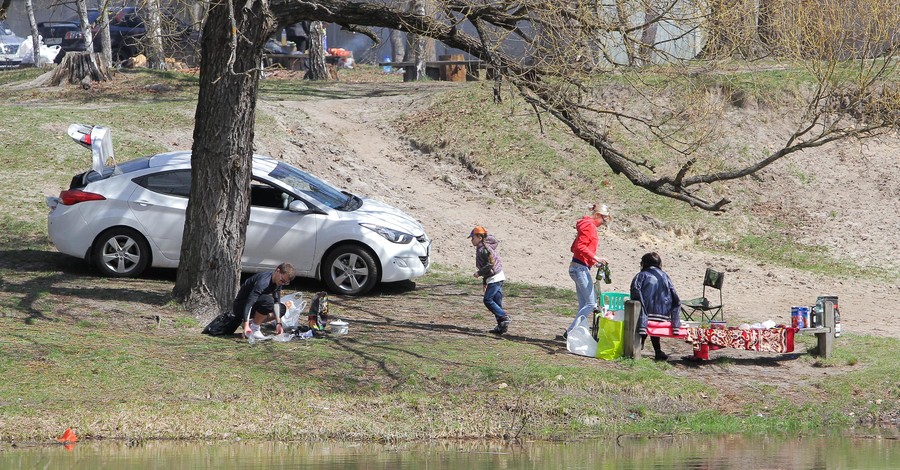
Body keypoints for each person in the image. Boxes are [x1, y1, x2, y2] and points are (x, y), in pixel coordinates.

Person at [566, 203, 611, 337]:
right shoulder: (589, 226)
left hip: (579, 266)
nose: (604, 223)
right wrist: (595, 257)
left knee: (584, 305)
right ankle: (570, 332)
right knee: (591, 303)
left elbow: (574, 248)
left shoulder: (587, 226)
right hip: (579, 268)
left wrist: (593, 262)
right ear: (597, 215)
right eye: (603, 219)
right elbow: (579, 246)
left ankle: (576, 333)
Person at [629, 252, 681, 361]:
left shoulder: (641, 275)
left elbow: (635, 293)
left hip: (645, 315)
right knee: (652, 320)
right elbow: (674, 296)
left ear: (644, 263)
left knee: (642, 313)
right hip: (663, 316)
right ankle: (658, 351)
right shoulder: (665, 276)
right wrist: (675, 319)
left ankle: (639, 345)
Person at [237, 263, 297, 339]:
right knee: (268, 301)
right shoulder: (263, 282)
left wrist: (278, 323)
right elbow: (249, 303)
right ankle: (254, 327)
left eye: (285, 282)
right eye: (282, 281)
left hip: (255, 306)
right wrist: (246, 325)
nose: (282, 283)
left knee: (281, 308)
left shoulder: (278, 282)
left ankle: (253, 323)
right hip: (242, 306)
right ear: (277, 271)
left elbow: (276, 302)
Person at [469, 226, 510, 335]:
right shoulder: (482, 247)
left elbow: (490, 265)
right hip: (497, 277)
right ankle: (501, 327)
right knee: (497, 303)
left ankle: (504, 317)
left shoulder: (484, 249)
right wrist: (484, 281)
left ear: (479, 237)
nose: (471, 240)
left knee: (487, 300)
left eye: (473, 237)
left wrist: (479, 273)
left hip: (495, 278)